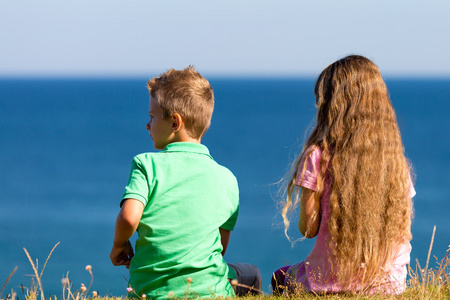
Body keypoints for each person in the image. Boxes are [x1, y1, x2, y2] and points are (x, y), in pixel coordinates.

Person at [110, 66, 260, 299]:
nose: (147, 125)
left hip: (149, 294)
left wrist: (119, 245)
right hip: (211, 292)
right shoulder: (228, 179)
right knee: (251, 274)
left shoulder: (146, 164)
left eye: (151, 117)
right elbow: (219, 248)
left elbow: (129, 217)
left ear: (174, 123)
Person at [272, 55, 415, 295]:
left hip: (325, 283)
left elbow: (308, 229)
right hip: (387, 286)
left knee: (280, 277)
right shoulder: (396, 163)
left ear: (333, 107)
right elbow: (403, 229)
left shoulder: (318, 157)